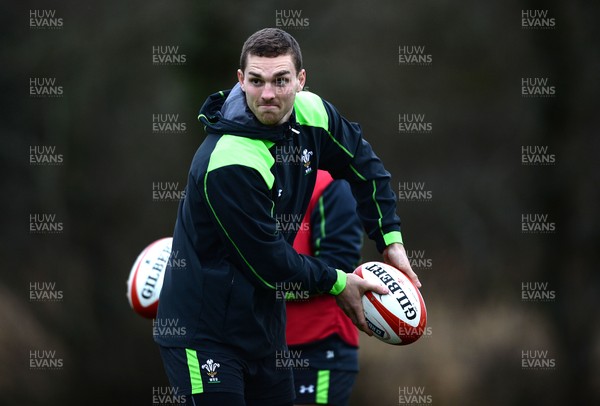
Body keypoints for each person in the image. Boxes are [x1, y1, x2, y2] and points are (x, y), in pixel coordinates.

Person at [155, 27, 420, 406]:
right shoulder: (231, 159)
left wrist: (390, 241)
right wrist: (337, 282)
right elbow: (270, 263)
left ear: (301, 80)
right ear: (240, 80)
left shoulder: (313, 113)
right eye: (256, 81)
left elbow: (365, 167)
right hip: (204, 334)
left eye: (281, 80)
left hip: (264, 334)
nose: (267, 94)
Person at [286, 170, 362, 406]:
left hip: (320, 347)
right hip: (266, 348)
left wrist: (264, 284)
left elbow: (337, 266)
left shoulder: (330, 182)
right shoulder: (254, 173)